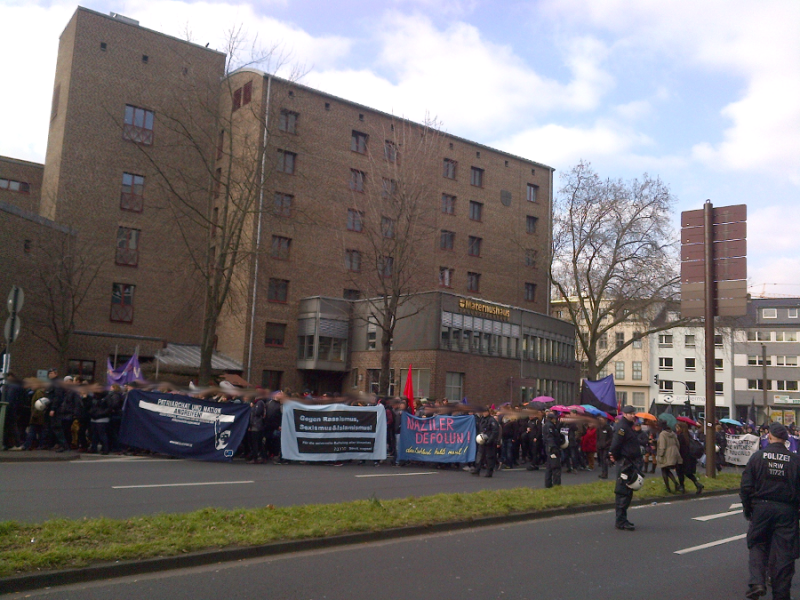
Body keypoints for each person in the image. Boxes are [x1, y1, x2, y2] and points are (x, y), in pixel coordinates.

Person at [740, 422, 800, 600]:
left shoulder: (758, 457)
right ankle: (781, 594)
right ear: (786, 440)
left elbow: (746, 487)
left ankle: (757, 581)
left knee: (758, 543)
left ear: (770, 436)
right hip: (787, 510)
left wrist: (748, 508)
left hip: (762, 507)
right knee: (784, 552)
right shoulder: (795, 461)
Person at [609, 406, 642, 531]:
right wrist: (615, 457)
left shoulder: (628, 426)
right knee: (623, 491)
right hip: (625, 462)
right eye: (630, 413)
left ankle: (623, 519)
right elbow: (616, 443)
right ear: (625, 414)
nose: (633, 415)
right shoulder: (622, 427)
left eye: (634, 413)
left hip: (629, 462)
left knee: (628, 491)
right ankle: (620, 520)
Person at [676, 422, 704, 495]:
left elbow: (678, 447)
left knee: (680, 472)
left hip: (682, 457)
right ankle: (697, 484)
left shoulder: (680, 437)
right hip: (690, 457)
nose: (676, 429)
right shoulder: (689, 436)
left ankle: (682, 487)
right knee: (689, 473)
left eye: (677, 427)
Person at [471, 406, 500, 477]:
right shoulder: (482, 419)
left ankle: (489, 472)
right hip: (482, 441)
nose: (484, 413)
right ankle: (477, 470)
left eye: (485, 412)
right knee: (479, 456)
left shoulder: (492, 420)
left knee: (489, 457)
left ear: (488, 412)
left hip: (489, 442)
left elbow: (495, 431)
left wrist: (490, 440)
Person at [657, 422, 682, 493]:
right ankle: (676, 484)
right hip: (674, 453)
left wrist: (660, 455)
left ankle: (668, 488)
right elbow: (677, 444)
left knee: (664, 470)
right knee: (667, 470)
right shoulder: (673, 434)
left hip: (666, 455)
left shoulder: (662, 434)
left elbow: (662, 446)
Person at [542, 411, 562, 488]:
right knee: (556, 466)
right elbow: (550, 438)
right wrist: (553, 447)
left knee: (549, 467)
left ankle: (548, 484)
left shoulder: (550, 425)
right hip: (552, 448)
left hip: (549, 448)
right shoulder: (549, 426)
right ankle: (556, 485)